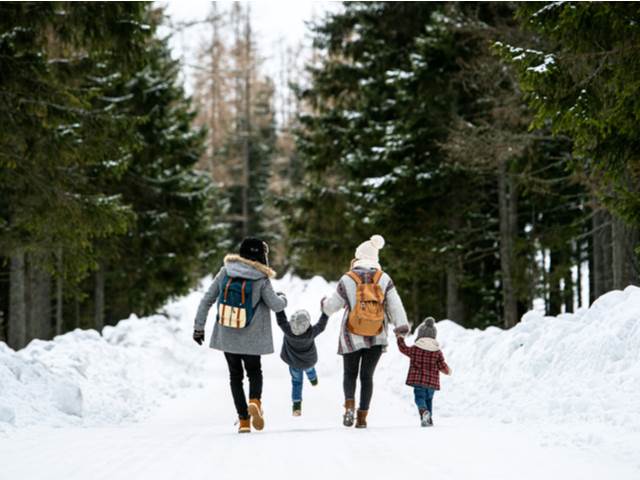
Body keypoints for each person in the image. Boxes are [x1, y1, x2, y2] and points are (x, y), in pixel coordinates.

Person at [193, 238, 287, 433]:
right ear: (261, 255)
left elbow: (207, 300)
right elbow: (276, 305)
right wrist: (283, 298)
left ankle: (243, 420)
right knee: (254, 372)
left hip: (228, 335)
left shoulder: (225, 271)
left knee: (235, 376)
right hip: (253, 339)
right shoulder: (261, 278)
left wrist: (199, 327)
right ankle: (255, 402)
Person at [321, 234, 409, 428]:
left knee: (350, 374)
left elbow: (332, 306)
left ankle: (349, 407)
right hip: (377, 335)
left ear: (358, 257)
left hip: (350, 335)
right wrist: (401, 329)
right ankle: (362, 418)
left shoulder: (348, 278)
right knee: (367, 377)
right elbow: (395, 306)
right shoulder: (384, 278)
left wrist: (323, 305)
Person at [396, 317, 451, 427]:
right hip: (432, 383)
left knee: (419, 398)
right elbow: (442, 365)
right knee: (429, 399)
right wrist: (448, 370)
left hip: (419, 382)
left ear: (420, 335)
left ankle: (424, 412)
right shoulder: (437, 352)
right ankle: (428, 419)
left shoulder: (415, 349)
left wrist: (400, 338)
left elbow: (403, 349)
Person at [275, 309, 329, 416]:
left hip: (294, 364)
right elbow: (321, 325)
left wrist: (279, 306)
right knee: (310, 370)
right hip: (308, 362)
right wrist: (325, 312)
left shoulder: (288, 330)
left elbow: (281, 320)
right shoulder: (311, 333)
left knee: (296, 383)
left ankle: (296, 407)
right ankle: (313, 380)